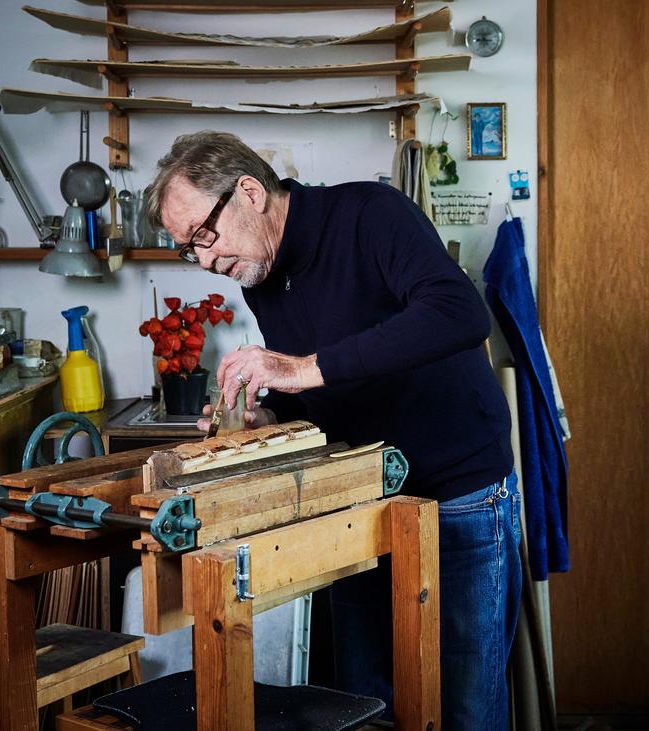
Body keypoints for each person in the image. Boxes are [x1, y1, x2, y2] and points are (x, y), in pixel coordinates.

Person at [145, 130, 521, 729]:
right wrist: (268, 421)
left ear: (249, 192)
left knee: (464, 706)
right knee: (364, 706)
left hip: (456, 495)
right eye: (190, 250)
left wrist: (295, 368)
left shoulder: (370, 215)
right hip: (359, 502)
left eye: (203, 236)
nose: (207, 261)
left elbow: (458, 313)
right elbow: (327, 391)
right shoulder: (262, 274)